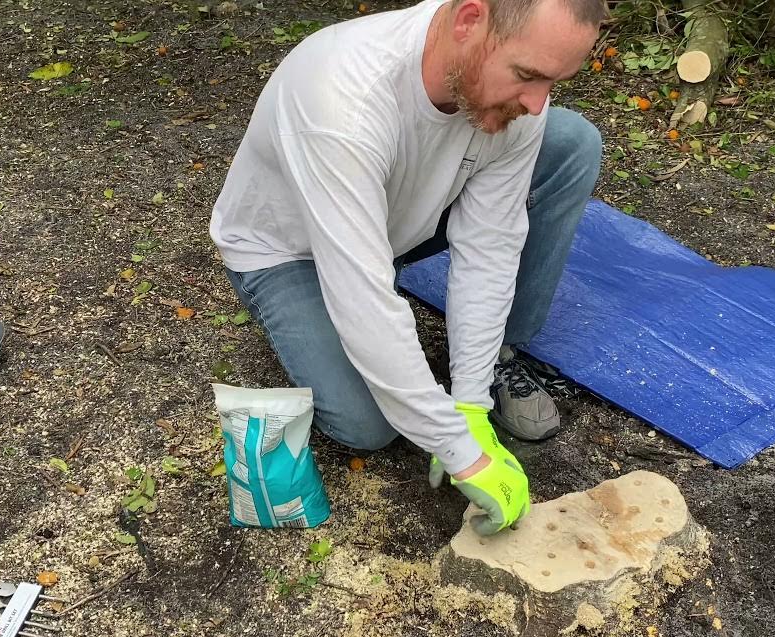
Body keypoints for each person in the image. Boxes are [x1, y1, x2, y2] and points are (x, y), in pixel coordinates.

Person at [209, 0, 606, 534]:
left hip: (395, 218)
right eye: (527, 76)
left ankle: (501, 355)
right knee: (366, 426)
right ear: (469, 21)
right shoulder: (341, 98)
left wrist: (469, 402)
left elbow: (489, 246)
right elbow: (364, 298)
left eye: (554, 81)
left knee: (568, 140)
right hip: (291, 248)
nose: (537, 104)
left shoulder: (518, 97)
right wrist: (462, 453)